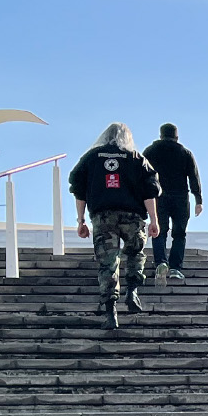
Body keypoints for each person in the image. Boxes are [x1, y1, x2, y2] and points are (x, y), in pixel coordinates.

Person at [67, 122, 161, 329]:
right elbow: (150, 191)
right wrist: (154, 220)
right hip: (132, 216)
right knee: (135, 253)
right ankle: (132, 292)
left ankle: (111, 313)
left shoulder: (91, 158)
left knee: (108, 263)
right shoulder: (136, 158)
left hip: (103, 216)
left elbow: (78, 189)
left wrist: (81, 220)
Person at [141, 123, 200, 283]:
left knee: (159, 231)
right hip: (180, 197)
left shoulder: (150, 151)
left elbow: (142, 175)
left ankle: (161, 262)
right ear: (176, 137)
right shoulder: (185, 153)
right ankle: (175, 268)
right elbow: (194, 177)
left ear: (160, 135)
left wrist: (141, 197)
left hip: (158, 197)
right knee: (179, 233)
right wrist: (198, 200)